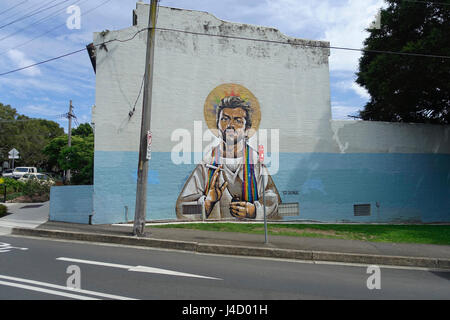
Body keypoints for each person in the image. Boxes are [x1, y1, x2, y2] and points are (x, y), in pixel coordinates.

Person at [176, 96, 281, 220]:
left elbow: (276, 205)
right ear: (218, 125)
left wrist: (253, 211)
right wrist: (208, 202)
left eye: (238, 120)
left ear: (247, 130)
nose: (230, 125)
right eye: (225, 119)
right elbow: (182, 209)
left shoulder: (255, 162)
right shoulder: (208, 163)